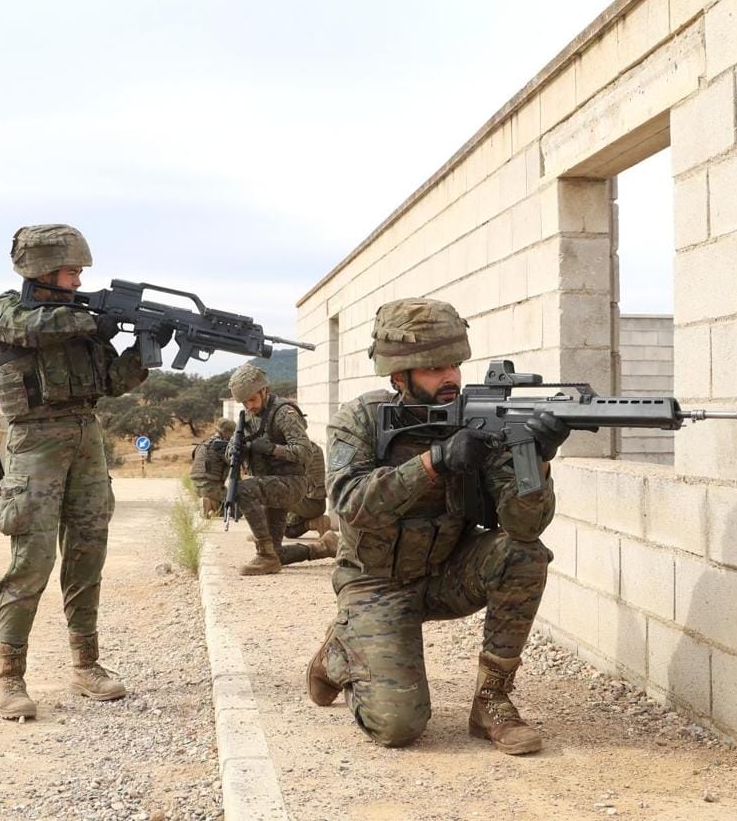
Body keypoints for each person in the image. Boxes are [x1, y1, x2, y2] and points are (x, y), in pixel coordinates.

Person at [304, 298, 569, 753]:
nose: (449, 377)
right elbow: (350, 504)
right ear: (398, 376)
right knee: (398, 728)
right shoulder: (362, 419)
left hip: (447, 574)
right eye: (432, 369)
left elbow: (524, 527)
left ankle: (492, 701)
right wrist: (436, 460)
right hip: (375, 585)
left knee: (524, 554)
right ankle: (340, 649)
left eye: (453, 365)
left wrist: (537, 461)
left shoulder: (483, 420)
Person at [0, 223, 164, 721]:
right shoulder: (4, 309)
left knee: (87, 554)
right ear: (41, 271)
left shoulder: (84, 322)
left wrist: (144, 351)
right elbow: (31, 329)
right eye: (71, 272)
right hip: (35, 444)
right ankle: (9, 676)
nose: (79, 282)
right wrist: (94, 323)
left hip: (86, 438)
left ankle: (86, 665)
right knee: (33, 559)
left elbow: (111, 381)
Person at [227, 364, 338, 576]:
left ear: (263, 391)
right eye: (244, 402)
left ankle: (264, 555)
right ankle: (324, 547)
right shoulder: (247, 419)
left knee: (243, 489)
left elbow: (305, 452)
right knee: (277, 552)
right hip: (270, 484)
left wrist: (271, 449)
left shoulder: (284, 413)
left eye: (252, 399)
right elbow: (230, 455)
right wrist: (235, 450)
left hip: (291, 483)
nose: (249, 405)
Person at [190, 418, 237, 518]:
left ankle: (207, 503)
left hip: (196, 485)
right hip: (211, 485)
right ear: (227, 433)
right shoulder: (222, 446)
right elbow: (233, 463)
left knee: (223, 499)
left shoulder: (203, 443)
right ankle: (209, 504)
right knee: (236, 509)